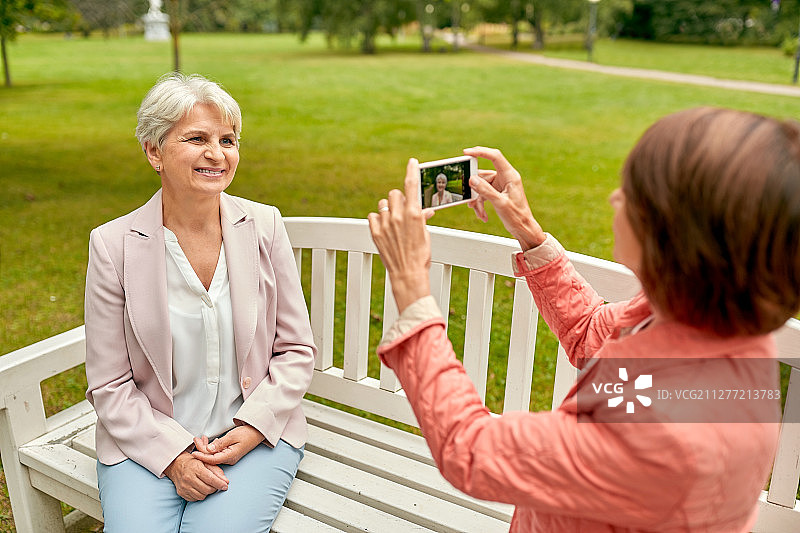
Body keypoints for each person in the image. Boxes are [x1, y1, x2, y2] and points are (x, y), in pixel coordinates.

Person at [367, 107, 800, 532]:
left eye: (632, 192)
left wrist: (410, 285)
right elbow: (590, 333)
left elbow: (472, 450)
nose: (615, 197)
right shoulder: (705, 318)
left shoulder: (663, 430)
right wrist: (526, 230)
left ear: (680, 237)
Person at [84, 73, 316, 532]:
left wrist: (252, 427)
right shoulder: (113, 245)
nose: (217, 154)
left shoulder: (265, 225)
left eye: (228, 139)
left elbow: (296, 351)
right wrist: (173, 457)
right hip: (147, 438)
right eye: (196, 138)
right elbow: (110, 383)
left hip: (254, 433)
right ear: (154, 151)